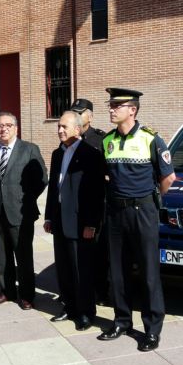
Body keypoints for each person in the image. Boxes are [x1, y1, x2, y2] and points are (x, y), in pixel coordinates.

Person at [97, 88, 176, 352]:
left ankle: (152, 330)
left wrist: (148, 202)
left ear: (132, 110)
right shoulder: (106, 141)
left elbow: (168, 179)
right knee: (117, 271)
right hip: (116, 213)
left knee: (148, 272)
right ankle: (121, 321)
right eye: (110, 105)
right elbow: (107, 177)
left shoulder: (151, 139)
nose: (111, 109)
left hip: (143, 211)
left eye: (117, 106)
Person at [0, 112, 48, 310]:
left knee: (23, 256)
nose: (4, 129)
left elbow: (42, 179)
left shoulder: (29, 149)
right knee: (2, 257)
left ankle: (26, 295)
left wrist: (24, 199)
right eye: (0, 125)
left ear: (16, 128)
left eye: (8, 125)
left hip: (21, 213)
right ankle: (7, 291)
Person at [44, 111, 105, 331]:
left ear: (78, 130)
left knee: (82, 271)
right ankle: (69, 307)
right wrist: (49, 215)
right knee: (64, 269)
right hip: (60, 219)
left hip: (80, 223)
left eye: (64, 127)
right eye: (58, 126)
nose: (60, 130)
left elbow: (95, 193)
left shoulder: (91, 154)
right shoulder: (57, 154)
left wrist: (91, 224)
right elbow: (54, 187)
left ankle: (86, 313)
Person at [69, 98, 110, 306]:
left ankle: (100, 291)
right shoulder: (68, 139)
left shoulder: (100, 139)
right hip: (75, 204)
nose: (77, 115)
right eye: (74, 112)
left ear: (90, 116)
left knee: (97, 250)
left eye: (81, 112)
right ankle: (79, 288)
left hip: (96, 204)